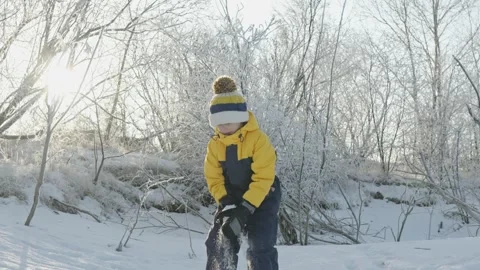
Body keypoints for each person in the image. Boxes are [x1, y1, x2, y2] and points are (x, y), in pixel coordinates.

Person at [204, 76, 281, 270]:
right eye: (219, 123)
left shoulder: (258, 140)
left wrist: (246, 208)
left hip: (262, 197)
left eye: (228, 121)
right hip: (231, 198)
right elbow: (213, 177)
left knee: (260, 245)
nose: (224, 127)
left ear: (240, 117)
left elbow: (264, 177)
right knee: (219, 242)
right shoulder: (215, 145)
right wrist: (226, 203)